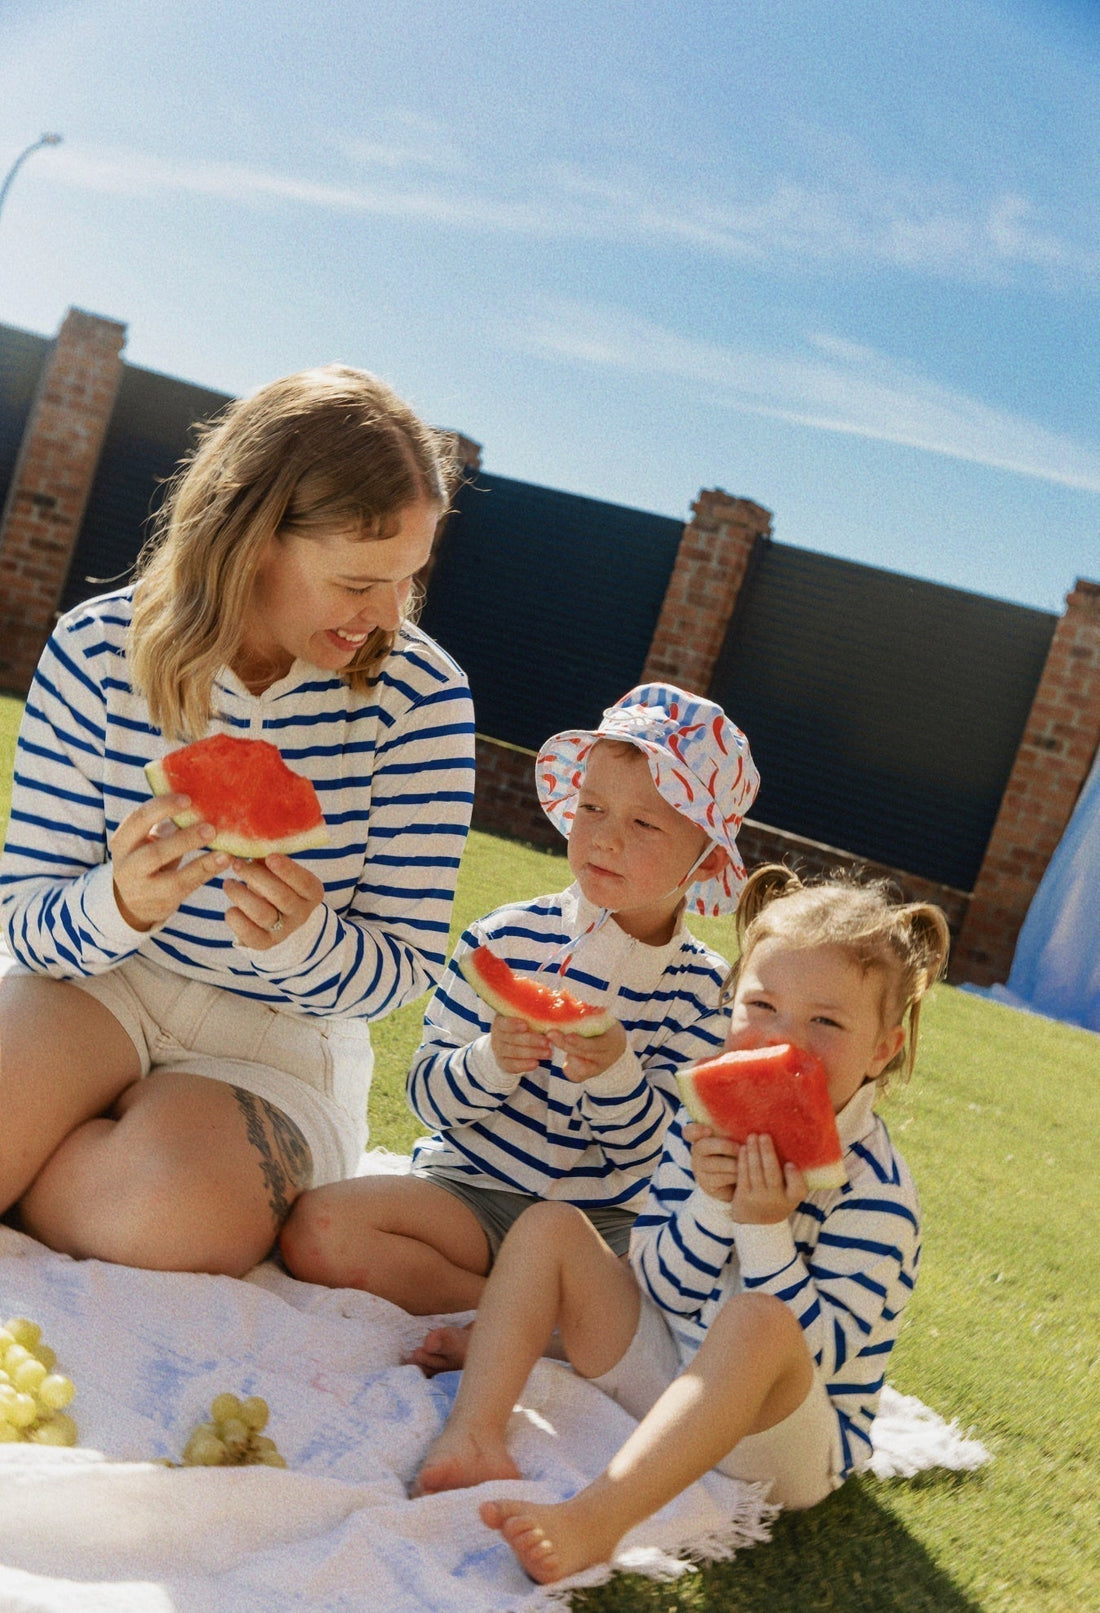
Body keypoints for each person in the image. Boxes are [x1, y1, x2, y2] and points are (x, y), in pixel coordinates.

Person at [0, 365, 476, 1278]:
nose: (384, 618)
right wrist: (118, 903)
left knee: (164, 1214)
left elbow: (405, 968)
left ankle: (65, 1155)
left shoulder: (422, 696)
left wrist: (304, 942)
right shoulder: (98, 647)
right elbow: (23, 917)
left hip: (280, 1042)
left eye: (405, 581)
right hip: (98, 988)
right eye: (357, 581)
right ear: (256, 538)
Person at [411, 863, 951, 1585]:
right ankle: (474, 1431)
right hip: (672, 1376)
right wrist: (707, 1199)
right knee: (551, 1227)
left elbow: (814, 1357)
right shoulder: (700, 1119)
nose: (782, 1040)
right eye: (761, 1006)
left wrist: (764, 1231)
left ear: (883, 1048)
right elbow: (659, 1282)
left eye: (826, 1021)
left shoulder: (878, 1193)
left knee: (756, 1321)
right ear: (729, 1004)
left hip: (783, 1441)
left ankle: (596, 1519)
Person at [278, 683, 760, 1324]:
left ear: (704, 863)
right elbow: (427, 1096)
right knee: (320, 1229)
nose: (604, 839)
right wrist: (490, 1061)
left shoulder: (708, 997)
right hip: (470, 1196)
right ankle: (515, 1309)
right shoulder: (503, 939)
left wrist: (617, 1075)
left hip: (598, 1227)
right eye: (591, 808)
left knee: (696, 1295)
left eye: (644, 822)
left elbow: (656, 1162)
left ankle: (536, 1303)